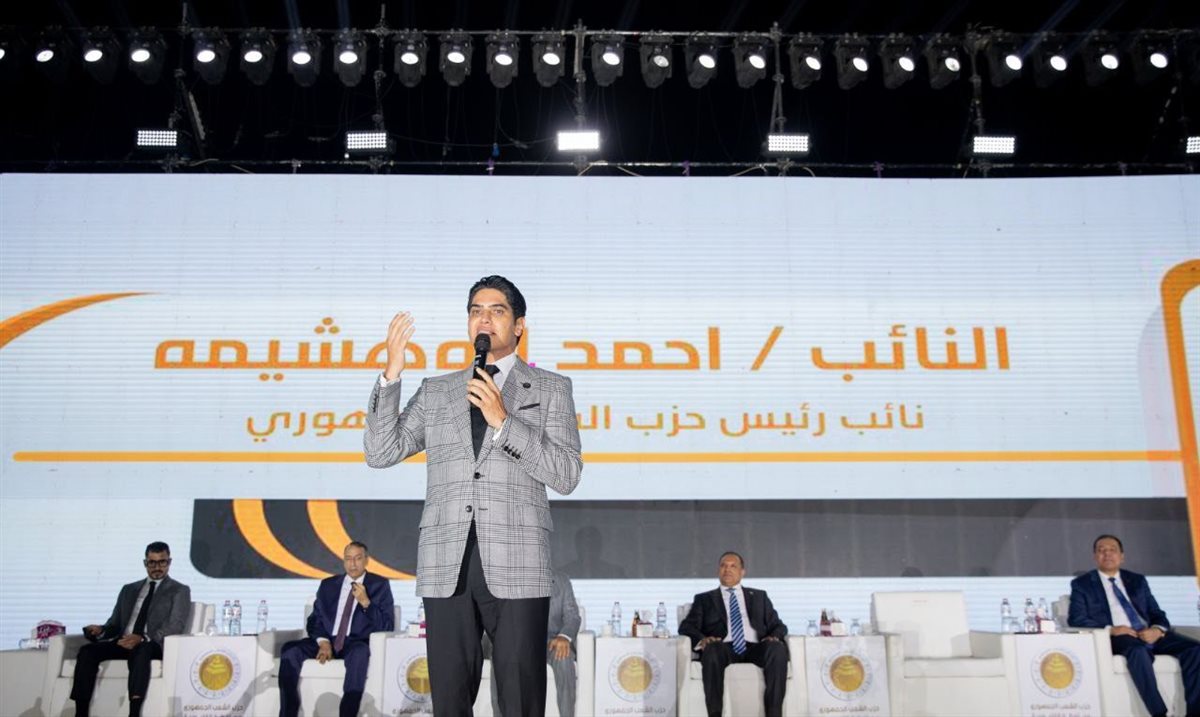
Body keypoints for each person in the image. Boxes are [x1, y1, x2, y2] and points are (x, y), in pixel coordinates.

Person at [364, 275, 583, 716]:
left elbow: (566, 474)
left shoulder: (551, 388)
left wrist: (504, 422)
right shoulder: (438, 390)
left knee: (520, 698)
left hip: (519, 560)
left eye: (496, 311)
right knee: (449, 699)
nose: (484, 319)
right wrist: (392, 373)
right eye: (476, 311)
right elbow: (380, 451)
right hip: (447, 560)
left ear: (518, 325)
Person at [1069, 534, 1200, 717]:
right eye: (1101, 550)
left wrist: (1157, 629)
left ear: (1122, 556)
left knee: (1195, 650)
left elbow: (1157, 613)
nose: (1107, 554)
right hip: (1119, 636)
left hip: (1147, 632)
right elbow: (1076, 619)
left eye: (1112, 550)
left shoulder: (1137, 580)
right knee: (1137, 651)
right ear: (1095, 556)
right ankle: (1159, 713)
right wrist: (1112, 629)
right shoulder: (1082, 584)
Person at [72, 541, 191, 717]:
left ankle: (134, 713)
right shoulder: (129, 589)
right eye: (152, 562)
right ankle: (80, 713)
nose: (157, 567)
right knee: (87, 651)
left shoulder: (179, 590)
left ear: (169, 562)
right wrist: (101, 630)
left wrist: (142, 637)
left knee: (141, 650)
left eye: (162, 562)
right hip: (124, 641)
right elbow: (114, 624)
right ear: (145, 563)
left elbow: (176, 625)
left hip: (153, 644)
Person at [278, 541, 394, 717]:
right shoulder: (328, 585)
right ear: (343, 560)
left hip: (355, 643)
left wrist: (366, 602)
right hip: (327, 640)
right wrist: (323, 642)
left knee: (360, 653)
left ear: (366, 560)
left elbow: (387, 626)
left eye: (358, 558)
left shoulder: (379, 585)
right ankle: (288, 713)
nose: (352, 564)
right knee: (289, 650)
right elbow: (314, 621)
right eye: (348, 559)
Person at [679, 551, 789, 717]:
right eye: (723, 566)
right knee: (712, 649)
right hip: (723, 648)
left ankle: (774, 713)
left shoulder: (759, 596)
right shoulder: (704, 599)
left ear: (742, 572)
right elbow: (687, 627)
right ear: (718, 570)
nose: (727, 569)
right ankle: (715, 714)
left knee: (776, 648)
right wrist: (703, 640)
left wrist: (773, 636)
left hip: (756, 647)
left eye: (733, 566)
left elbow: (779, 626)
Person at [487, 569, 582, 717]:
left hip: (552, 642)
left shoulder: (561, 580)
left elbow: (573, 616)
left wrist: (564, 637)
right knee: (500, 654)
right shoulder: (509, 579)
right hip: (519, 641)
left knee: (564, 658)